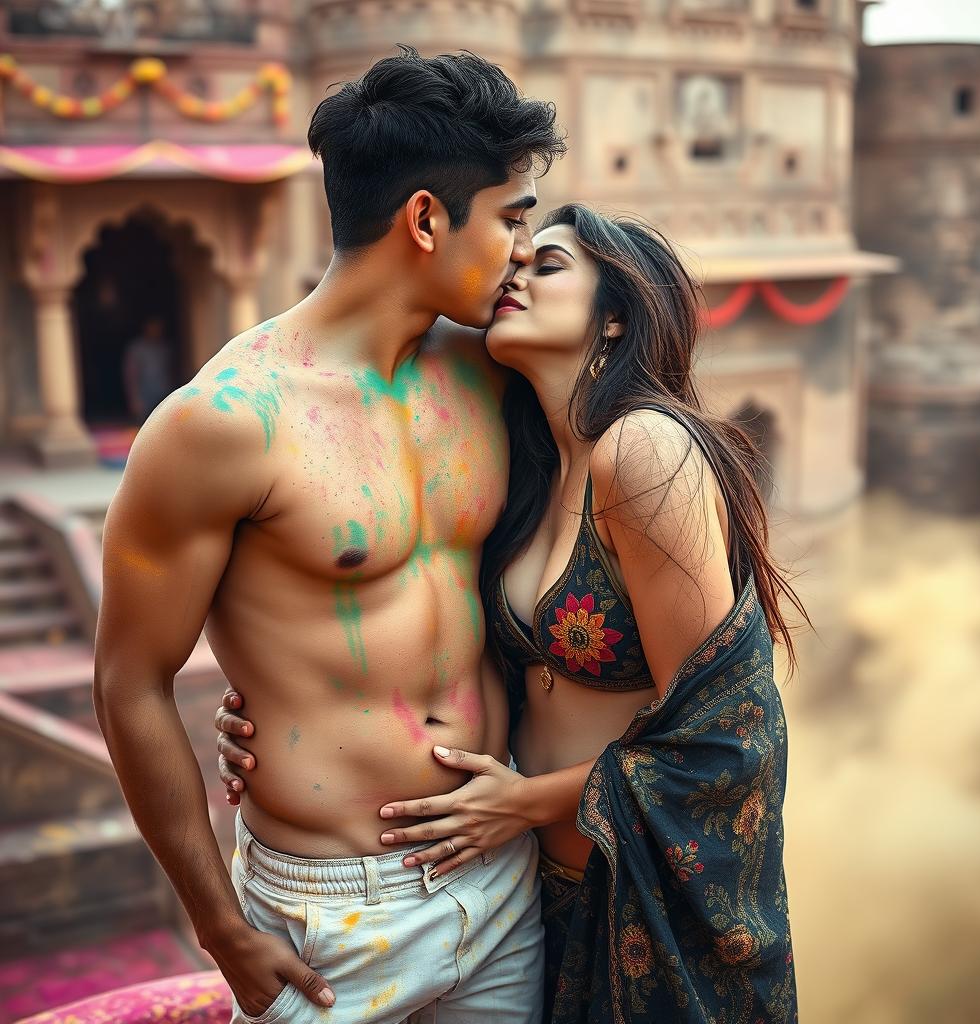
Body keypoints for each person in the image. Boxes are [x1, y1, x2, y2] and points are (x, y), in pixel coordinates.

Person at [217, 205, 805, 1022]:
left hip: (637, 899)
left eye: (550, 264)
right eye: (517, 257)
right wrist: (282, 706)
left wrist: (522, 801)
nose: (516, 273)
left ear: (615, 315)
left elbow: (728, 731)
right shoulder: (525, 462)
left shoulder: (642, 451)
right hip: (528, 894)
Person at [93, 47, 565, 1024]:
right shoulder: (221, 424)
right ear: (427, 218)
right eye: (512, 218)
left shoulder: (492, 371)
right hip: (327, 918)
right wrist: (219, 925)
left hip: (501, 877)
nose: (525, 249)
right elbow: (129, 679)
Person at [123, 315, 175, 422]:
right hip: (145, 395)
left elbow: (171, 369)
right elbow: (131, 374)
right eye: (153, 327)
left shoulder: (165, 347)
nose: (156, 330)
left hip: (164, 392)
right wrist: (135, 399)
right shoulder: (137, 348)